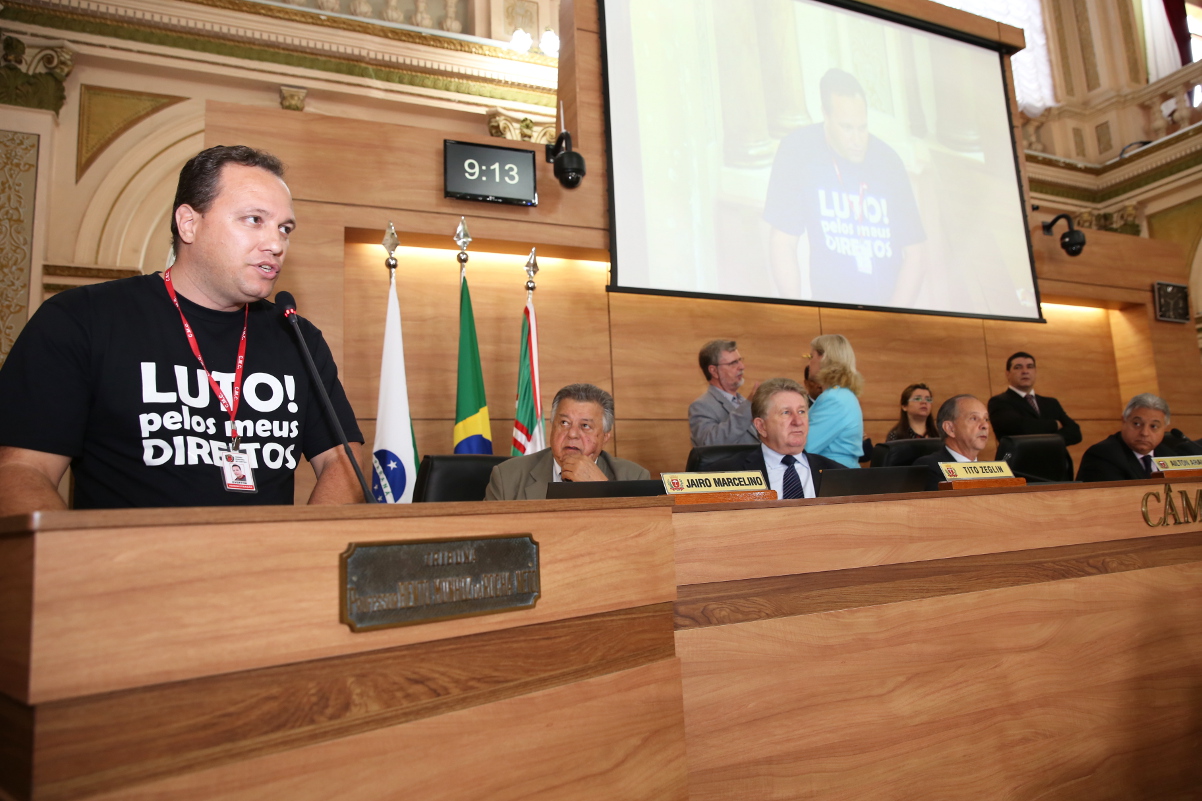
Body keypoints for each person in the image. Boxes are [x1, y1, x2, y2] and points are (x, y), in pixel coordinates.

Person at [0, 145, 365, 513]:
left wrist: (304, 552)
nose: (276, 244)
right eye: (254, 219)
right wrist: (75, 565)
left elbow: (344, 463)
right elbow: (21, 471)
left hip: (270, 566)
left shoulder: (297, 337)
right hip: (129, 567)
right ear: (188, 223)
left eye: (284, 228)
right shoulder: (81, 318)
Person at [764, 68, 925, 308]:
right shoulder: (798, 151)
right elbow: (783, 242)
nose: (858, 139)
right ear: (825, 116)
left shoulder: (888, 161)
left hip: (886, 308)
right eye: (847, 128)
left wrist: (893, 317)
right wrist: (794, 312)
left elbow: (916, 252)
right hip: (830, 312)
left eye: (863, 127)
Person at [485, 383, 649, 500]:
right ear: (552, 426)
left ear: (605, 436)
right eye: (564, 423)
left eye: (585, 426)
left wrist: (602, 489)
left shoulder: (634, 477)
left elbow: (644, 538)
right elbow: (489, 543)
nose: (572, 434)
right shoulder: (507, 477)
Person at [709, 377, 845, 499]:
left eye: (801, 411)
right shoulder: (724, 476)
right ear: (761, 426)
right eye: (786, 413)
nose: (798, 421)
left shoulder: (839, 474)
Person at [987, 352, 1081, 447]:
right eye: (1018, 367)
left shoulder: (1051, 403)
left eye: (1030, 366)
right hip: (1021, 460)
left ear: (1035, 372)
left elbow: (1075, 433)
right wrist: (1055, 424)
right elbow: (1020, 428)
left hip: (1055, 460)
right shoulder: (999, 402)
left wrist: (1042, 437)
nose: (1025, 371)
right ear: (1007, 374)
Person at [1077, 393, 1172, 482]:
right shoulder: (1103, 456)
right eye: (1137, 424)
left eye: (1153, 426)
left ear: (1164, 428)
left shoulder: (1169, 455)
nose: (1144, 433)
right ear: (1124, 421)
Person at [805, 334, 864, 468]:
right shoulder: (841, 394)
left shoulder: (834, 398)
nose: (809, 363)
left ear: (824, 358)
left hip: (833, 477)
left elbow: (805, 446)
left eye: (811, 356)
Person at [688, 339, 759, 447]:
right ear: (714, 371)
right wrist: (748, 407)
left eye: (740, 360)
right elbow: (709, 443)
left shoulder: (744, 402)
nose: (741, 367)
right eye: (733, 363)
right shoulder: (701, 406)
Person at [914, 395, 992, 491]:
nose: (985, 425)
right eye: (974, 418)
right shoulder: (930, 468)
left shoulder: (993, 471)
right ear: (950, 428)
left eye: (986, 419)